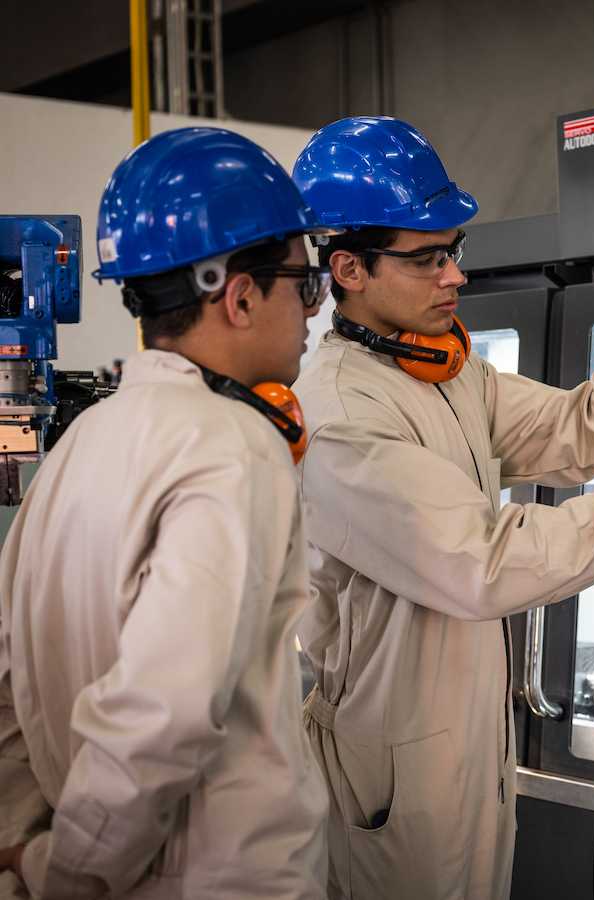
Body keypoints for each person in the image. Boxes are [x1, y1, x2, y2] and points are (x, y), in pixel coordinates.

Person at [290, 116, 594, 900]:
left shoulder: (448, 376)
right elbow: (484, 563)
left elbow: (586, 428)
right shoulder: (342, 415)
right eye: (428, 258)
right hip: (390, 785)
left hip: (466, 760)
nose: (454, 276)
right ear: (349, 267)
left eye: (454, 250)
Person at [0, 127, 332, 898]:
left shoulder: (80, 443)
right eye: (304, 282)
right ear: (239, 296)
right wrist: (71, 872)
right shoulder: (234, 446)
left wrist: (24, 845)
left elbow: (11, 684)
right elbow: (165, 711)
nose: (312, 310)